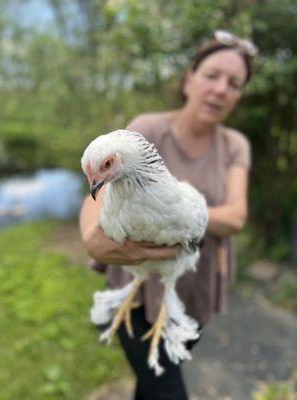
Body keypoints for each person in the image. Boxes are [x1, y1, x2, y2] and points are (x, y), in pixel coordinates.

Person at [79, 30, 256, 400]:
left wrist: (178, 212)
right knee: (168, 393)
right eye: (212, 75)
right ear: (189, 78)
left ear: (239, 94)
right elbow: (97, 196)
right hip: (133, 286)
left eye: (234, 83)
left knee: (151, 387)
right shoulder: (146, 128)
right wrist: (91, 239)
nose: (221, 89)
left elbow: (237, 217)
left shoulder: (234, 145)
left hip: (194, 284)